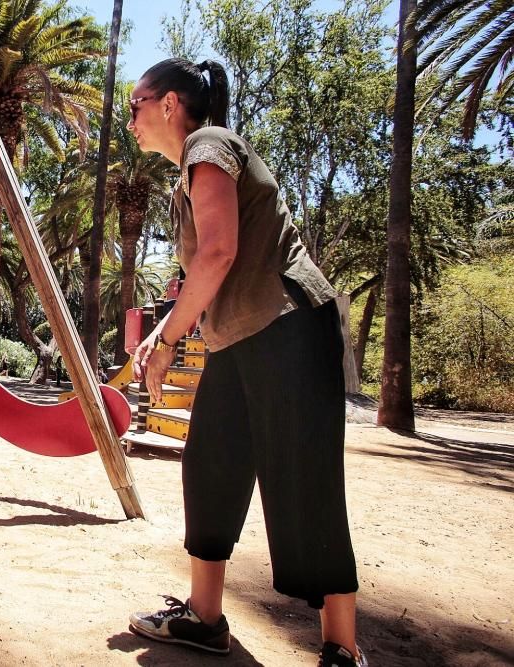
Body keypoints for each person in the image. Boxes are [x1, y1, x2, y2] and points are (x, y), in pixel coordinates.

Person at [125, 58, 364, 667]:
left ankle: (342, 647)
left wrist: (166, 338)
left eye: (136, 106)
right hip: (237, 341)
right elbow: (209, 267)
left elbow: (219, 253)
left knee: (304, 484)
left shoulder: (209, 144)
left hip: (287, 329)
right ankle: (205, 618)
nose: (131, 121)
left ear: (170, 104)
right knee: (211, 468)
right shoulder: (188, 171)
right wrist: (181, 333)